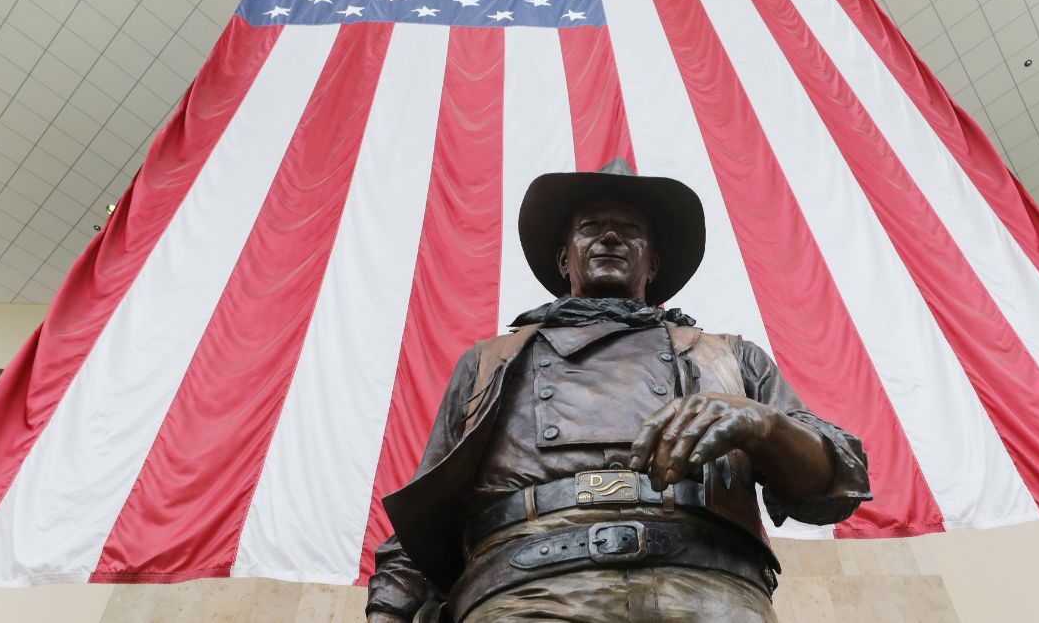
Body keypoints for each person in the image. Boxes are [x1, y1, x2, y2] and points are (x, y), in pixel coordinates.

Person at [367, 158, 871, 622]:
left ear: (653, 264)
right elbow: (423, 522)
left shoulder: (730, 358)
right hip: (527, 593)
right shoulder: (489, 363)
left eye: (630, 230)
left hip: (711, 592)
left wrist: (764, 426)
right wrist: (389, 610)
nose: (610, 237)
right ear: (564, 260)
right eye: (591, 227)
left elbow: (838, 482)